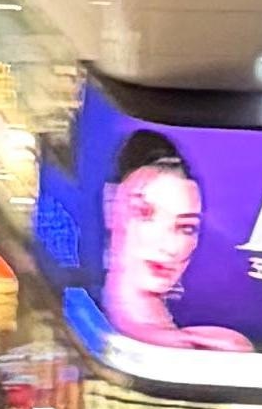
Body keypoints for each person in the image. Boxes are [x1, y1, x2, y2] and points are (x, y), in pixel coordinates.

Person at [94, 126, 249, 354]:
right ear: (111, 206)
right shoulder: (76, 315)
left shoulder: (222, 346)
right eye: (145, 214)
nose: (169, 247)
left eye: (185, 227)